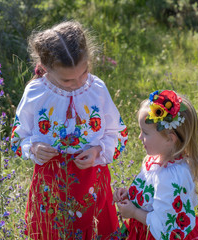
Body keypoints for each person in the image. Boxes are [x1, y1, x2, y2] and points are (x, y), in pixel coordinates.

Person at [10, 20, 128, 240]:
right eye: (67, 79)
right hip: (50, 185)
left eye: (83, 74)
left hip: (92, 180)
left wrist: (97, 151)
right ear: (45, 67)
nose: (77, 83)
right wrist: (33, 148)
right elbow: (18, 137)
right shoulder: (36, 92)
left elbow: (117, 133)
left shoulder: (97, 89)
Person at [113, 90, 198, 240]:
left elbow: (163, 225)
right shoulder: (157, 159)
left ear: (170, 139)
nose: (140, 137)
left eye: (145, 133)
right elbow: (152, 195)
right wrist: (132, 196)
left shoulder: (170, 177)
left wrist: (133, 212)